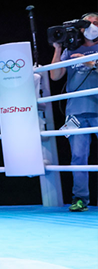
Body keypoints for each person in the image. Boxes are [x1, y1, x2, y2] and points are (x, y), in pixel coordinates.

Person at [49, 12, 98, 212]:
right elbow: (55, 75)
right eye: (89, 23)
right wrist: (58, 49)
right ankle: (80, 199)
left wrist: (92, 64)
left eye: (96, 23)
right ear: (81, 27)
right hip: (75, 112)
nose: (92, 26)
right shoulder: (71, 50)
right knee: (78, 157)